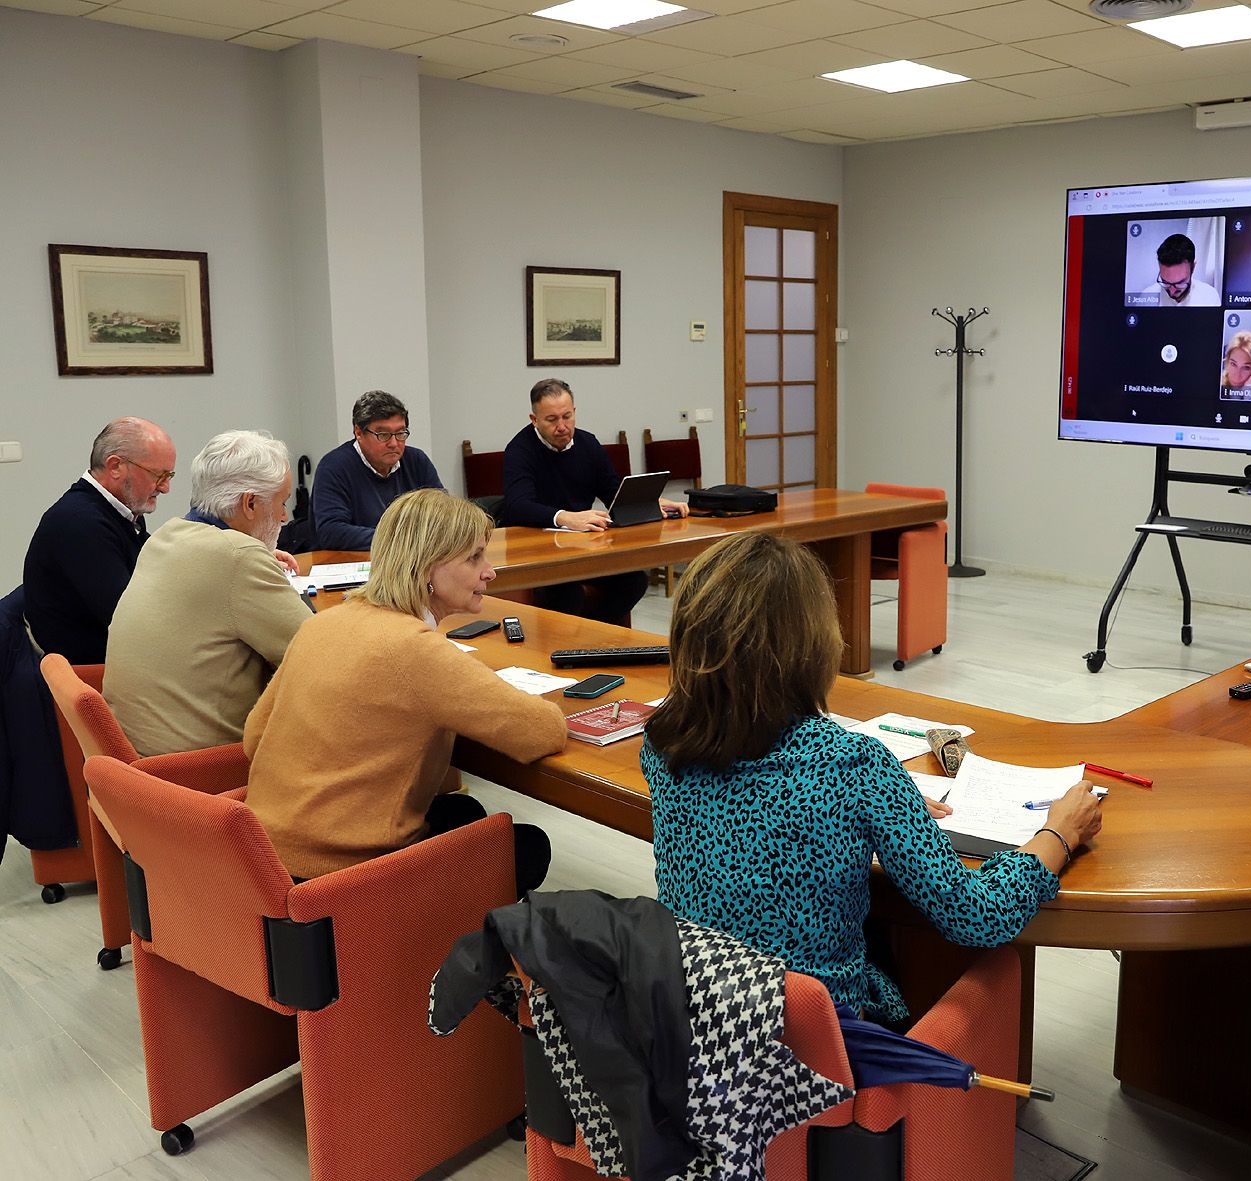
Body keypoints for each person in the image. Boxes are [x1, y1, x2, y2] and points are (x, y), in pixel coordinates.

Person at [643, 532, 1103, 1028]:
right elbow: (975, 915)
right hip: (812, 1050)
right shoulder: (853, 766)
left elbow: (747, 808)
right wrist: (1060, 832)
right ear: (813, 643)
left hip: (697, 1017)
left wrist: (885, 805)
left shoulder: (662, 743)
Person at [244, 489, 565, 895]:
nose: (490, 572)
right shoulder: (415, 650)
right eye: (474, 558)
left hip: (261, 858)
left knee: (464, 812)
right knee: (529, 846)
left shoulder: (322, 623)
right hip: (346, 876)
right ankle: (420, 946)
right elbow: (541, 732)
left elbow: (255, 737)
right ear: (428, 567)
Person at [106, 430, 312, 757]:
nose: (285, 516)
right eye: (282, 502)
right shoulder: (238, 556)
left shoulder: (166, 536)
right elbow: (318, 652)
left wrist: (253, 557)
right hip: (201, 770)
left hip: (137, 765)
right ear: (250, 503)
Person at [499, 378, 687, 626]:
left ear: (575, 412)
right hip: (538, 550)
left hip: (582, 548)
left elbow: (612, 491)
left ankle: (592, 634)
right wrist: (566, 517)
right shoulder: (519, 450)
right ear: (534, 420)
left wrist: (650, 501)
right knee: (566, 594)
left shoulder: (588, 444)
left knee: (634, 581)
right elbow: (517, 505)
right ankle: (574, 643)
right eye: (552, 419)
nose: (562, 426)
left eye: (567, 417)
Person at [22, 417, 176, 664]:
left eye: (170, 475)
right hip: (84, 675)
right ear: (115, 466)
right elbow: (130, 620)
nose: (166, 487)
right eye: (159, 475)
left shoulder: (123, 511)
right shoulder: (79, 523)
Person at [310, 390, 444, 551]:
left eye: (401, 433)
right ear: (359, 433)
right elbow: (331, 532)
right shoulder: (334, 467)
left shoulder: (416, 460)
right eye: (383, 434)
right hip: (354, 563)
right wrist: (401, 540)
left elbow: (443, 514)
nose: (394, 443)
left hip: (410, 559)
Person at [1140, 233, 1220, 306]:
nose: (1172, 291)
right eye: (1165, 282)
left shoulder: (1210, 296)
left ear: (1193, 268)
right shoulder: (1146, 297)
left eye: (1180, 283)